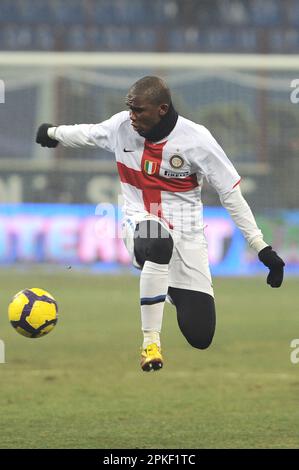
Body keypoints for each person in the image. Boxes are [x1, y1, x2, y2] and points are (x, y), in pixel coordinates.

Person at [36, 76, 285, 372]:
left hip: (188, 235)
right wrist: (52, 133)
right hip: (138, 220)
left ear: (162, 109)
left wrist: (261, 247)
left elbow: (231, 195)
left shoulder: (197, 140)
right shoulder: (121, 128)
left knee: (200, 335)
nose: (132, 116)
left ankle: (162, 285)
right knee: (157, 241)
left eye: (139, 110)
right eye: (130, 108)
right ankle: (150, 342)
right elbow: (89, 133)